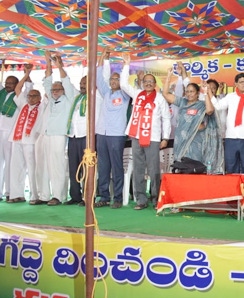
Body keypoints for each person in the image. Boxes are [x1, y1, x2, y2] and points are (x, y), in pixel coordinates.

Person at [120, 53, 171, 210]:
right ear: (142, 83)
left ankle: (156, 199)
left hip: (154, 138)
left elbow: (166, 119)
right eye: (146, 81)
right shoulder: (137, 94)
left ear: (155, 84)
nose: (148, 83)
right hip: (136, 136)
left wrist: (166, 138)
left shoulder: (160, 99)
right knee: (139, 168)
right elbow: (123, 85)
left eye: (151, 82)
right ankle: (141, 199)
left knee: (154, 168)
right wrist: (127, 65)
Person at [0, 53, 32, 202]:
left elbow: (30, 87)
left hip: (10, 132)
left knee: (11, 162)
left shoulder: (21, 96)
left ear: (17, 84)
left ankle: (10, 192)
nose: (7, 85)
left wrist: (27, 74)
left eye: (11, 83)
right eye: (7, 82)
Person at [162, 67, 223, 173]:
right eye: (187, 92)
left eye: (192, 92)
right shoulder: (182, 102)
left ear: (197, 93)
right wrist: (168, 77)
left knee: (194, 167)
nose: (189, 94)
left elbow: (209, 111)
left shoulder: (201, 104)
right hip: (180, 140)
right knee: (181, 167)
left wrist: (206, 92)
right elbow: (165, 94)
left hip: (196, 140)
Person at [37, 52, 74, 206]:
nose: (55, 92)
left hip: (59, 136)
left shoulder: (69, 98)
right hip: (46, 135)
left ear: (64, 90)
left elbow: (66, 80)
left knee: (57, 166)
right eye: (53, 90)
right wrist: (48, 62)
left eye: (58, 89)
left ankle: (58, 196)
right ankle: (44, 195)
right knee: (44, 166)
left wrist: (59, 66)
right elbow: (47, 81)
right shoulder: (51, 98)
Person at [95, 50, 130, 209]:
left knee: (116, 166)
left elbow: (124, 82)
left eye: (116, 79)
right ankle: (103, 196)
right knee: (103, 166)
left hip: (116, 135)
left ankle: (117, 197)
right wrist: (104, 60)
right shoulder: (105, 92)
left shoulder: (124, 94)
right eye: (112, 79)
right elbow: (98, 77)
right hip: (102, 133)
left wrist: (125, 65)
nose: (114, 81)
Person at [8, 65, 46, 204]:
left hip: (31, 142)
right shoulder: (23, 103)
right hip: (17, 139)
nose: (30, 98)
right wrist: (26, 74)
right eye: (29, 96)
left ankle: (35, 196)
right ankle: (16, 194)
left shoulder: (42, 107)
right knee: (16, 167)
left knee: (32, 169)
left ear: (39, 97)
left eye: (34, 96)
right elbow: (18, 89)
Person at [65, 73, 88, 206]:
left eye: (84, 83)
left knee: (86, 169)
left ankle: (87, 196)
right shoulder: (77, 98)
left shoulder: (95, 97)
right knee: (73, 168)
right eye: (81, 83)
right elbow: (67, 83)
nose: (81, 85)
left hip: (86, 136)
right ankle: (75, 196)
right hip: (73, 136)